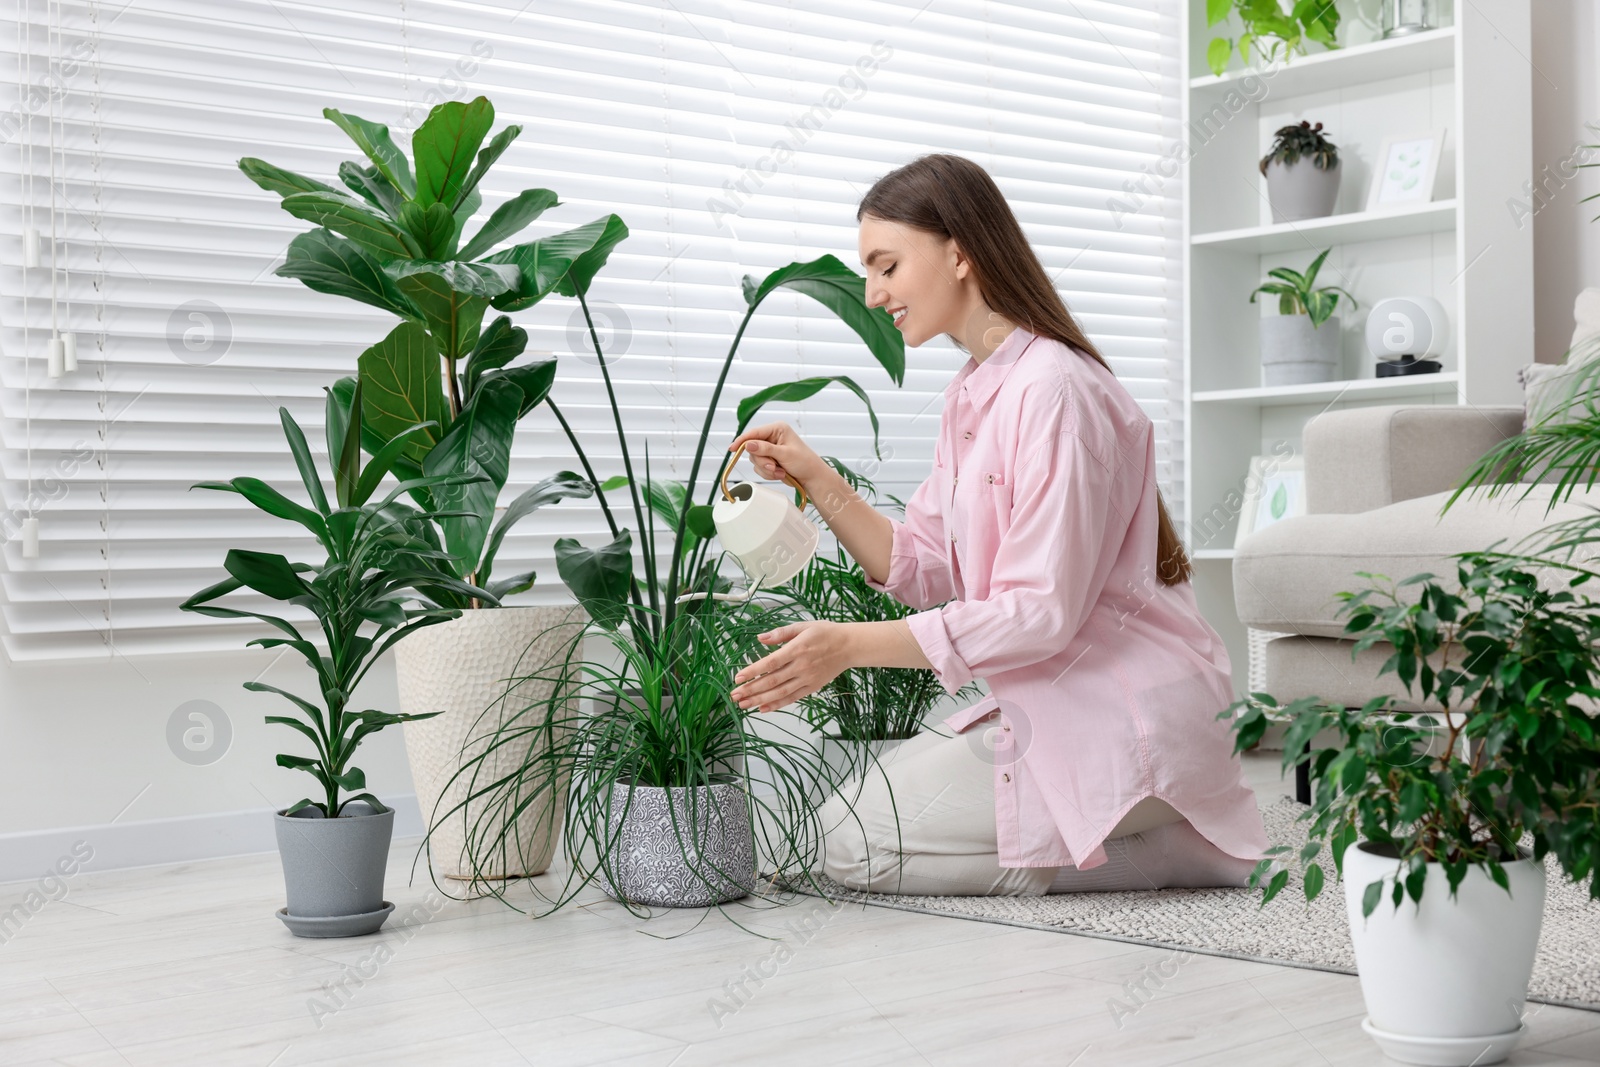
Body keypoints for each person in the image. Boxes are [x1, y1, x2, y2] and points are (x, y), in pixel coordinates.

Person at [726, 152, 1270, 896]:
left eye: (886, 265)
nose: (872, 292)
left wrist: (848, 647)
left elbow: (1037, 613)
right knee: (839, 827)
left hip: (1128, 711)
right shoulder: (976, 393)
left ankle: (1180, 851)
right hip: (1051, 706)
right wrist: (816, 479)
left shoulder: (1056, 392)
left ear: (958, 252)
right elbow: (919, 564)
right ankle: (1143, 831)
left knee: (853, 850)